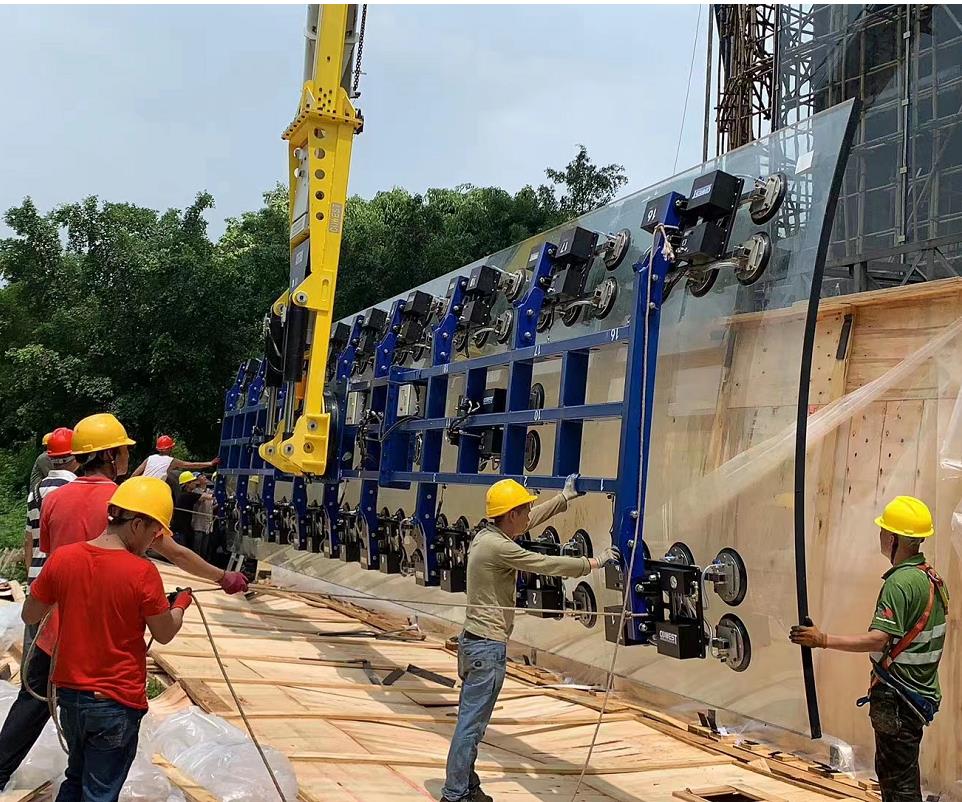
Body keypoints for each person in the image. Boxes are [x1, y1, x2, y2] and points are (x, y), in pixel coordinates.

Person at [0, 413, 248, 790]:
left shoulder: (55, 500)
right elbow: (175, 554)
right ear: (111, 454)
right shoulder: (127, 503)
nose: (129, 459)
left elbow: (53, 561)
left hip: (57, 629)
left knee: (34, 702)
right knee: (101, 758)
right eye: (125, 452)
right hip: (106, 639)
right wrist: (221, 577)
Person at [440, 475, 620, 802]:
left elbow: (528, 523)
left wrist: (564, 499)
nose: (527, 516)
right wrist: (593, 562)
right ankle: (454, 795)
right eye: (523, 510)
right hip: (486, 649)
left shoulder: (487, 536)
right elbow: (543, 563)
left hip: (474, 644)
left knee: (471, 725)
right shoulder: (498, 547)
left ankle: (467, 786)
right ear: (510, 515)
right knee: (471, 728)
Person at [22, 477, 191, 802]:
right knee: (99, 793)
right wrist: (180, 605)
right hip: (115, 701)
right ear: (137, 523)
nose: (153, 541)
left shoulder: (64, 558)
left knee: (76, 777)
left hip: (70, 698)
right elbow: (164, 632)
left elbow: (30, 614)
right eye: (154, 532)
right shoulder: (142, 573)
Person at [790, 496, 949, 802]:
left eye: (883, 530)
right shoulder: (931, 579)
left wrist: (821, 639)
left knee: (897, 787)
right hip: (919, 695)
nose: (879, 535)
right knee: (903, 774)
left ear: (893, 538)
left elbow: (878, 639)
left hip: (899, 697)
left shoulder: (900, 584)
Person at [23, 428, 78, 649]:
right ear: (76, 457)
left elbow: (28, 539)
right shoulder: (74, 489)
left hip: (36, 573)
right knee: (57, 647)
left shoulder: (34, 492)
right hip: (63, 577)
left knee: (33, 640)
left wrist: (30, 574)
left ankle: (26, 685)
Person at [130, 434, 218, 483]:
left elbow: (134, 474)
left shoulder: (150, 458)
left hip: (141, 485)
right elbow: (190, 465)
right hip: (156, 488)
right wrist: (210, 463)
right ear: (169, 448)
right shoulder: (171, 461)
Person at [171, 471, 211, 550]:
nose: (195, 484)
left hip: (182, 529)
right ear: (187, 483)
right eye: (193, 482)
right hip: (180, 530)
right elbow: (207, 497)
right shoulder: (187, 495)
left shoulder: (184, 495)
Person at [28, 431, 55, 504]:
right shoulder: (44, 457)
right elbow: (52, 476)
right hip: (38, 496)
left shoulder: (48, 457)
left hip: (42, 493)